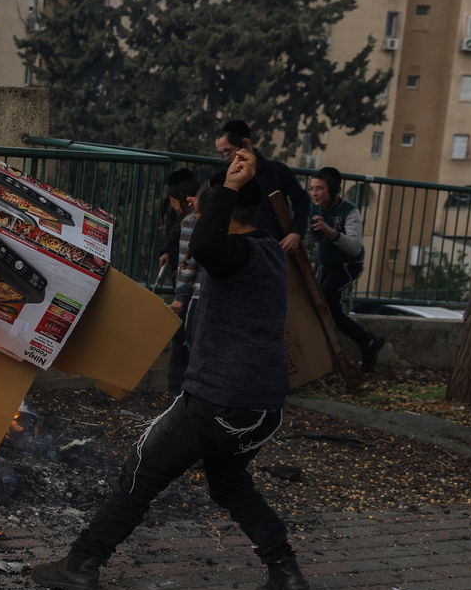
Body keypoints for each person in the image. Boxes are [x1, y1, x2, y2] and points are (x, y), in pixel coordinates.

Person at [31, 146, 312, 590]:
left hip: (216, 400)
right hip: (262, 408)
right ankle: (286, 573)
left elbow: (204, 245)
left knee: (140, 473)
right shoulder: (269, 254)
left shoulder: (235, 252)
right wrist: (234, 191)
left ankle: (81, 566)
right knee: (230, 483)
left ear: (216, 213)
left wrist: (226, 188)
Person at [309, 166, 385, 372]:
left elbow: (354, 248)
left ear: (333, 190)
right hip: (326, 264)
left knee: (325, 300)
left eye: (320, 188)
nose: (314, 193)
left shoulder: (349, 211)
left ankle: (367, 342)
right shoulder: (313, 207)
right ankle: (368, 342)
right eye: (312, 188)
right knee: (327, 308)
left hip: (347, 265)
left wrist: (330, 231)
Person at [215, 120, 310, 255]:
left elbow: (302, 201)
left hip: (275, 248)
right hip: (237, 250)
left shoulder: (277, 171)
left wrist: (297, 232)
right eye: (221, 153)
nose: (225, 158)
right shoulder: (223, 178)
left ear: (246, 143)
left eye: (228, 151)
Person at [165, 172, 201, 394]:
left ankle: (177, 390)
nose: (172, 207)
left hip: (191, 295)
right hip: (201, 294)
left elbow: (187, 263)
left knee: (182, 344)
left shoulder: (190, 221)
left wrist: (179, 298)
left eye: (172, 201)